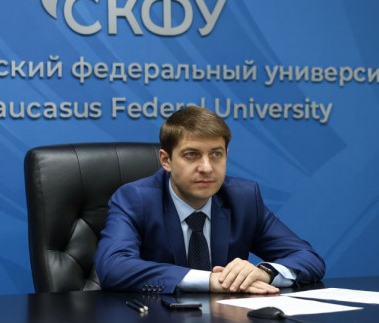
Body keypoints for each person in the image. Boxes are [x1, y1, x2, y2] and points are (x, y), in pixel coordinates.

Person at [94, 106, 325, 294]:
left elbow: (309, 258)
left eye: (216, 154)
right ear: (166, 160)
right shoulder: (135, 199)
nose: (206, 168)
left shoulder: (243, 199)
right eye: (191, 155)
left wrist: (265, 272)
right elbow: (113, 267)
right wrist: (210, 281)